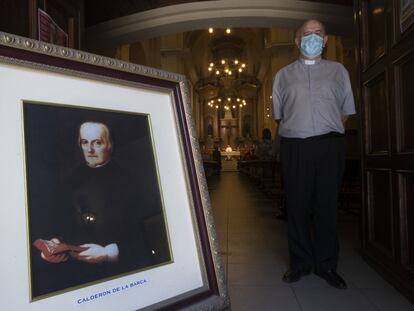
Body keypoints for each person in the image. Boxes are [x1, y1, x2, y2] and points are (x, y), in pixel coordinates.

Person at [32, 121, 169, 297]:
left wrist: (108, 253)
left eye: (97, 142)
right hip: (76, 277)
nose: (90, 149)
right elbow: (57, 225)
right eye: (84, 142)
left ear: (109, 144)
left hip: (121, 277)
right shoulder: (68, 182)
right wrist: (53, 245)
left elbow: (153, 235)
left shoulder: (131, 180)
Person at [272, 19, 356, 289]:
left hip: (329, 146)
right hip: (295, 147)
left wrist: (324, 131)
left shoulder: (339, 71)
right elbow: (279, 116)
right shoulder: (282, 76)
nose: (312, 38)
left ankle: (327, 265)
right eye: (306, 34)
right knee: (296, 207)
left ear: (326, 39)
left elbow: (345, 112)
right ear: (297, 41)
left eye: (317, 33)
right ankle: (300, 264)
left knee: (326, 207)